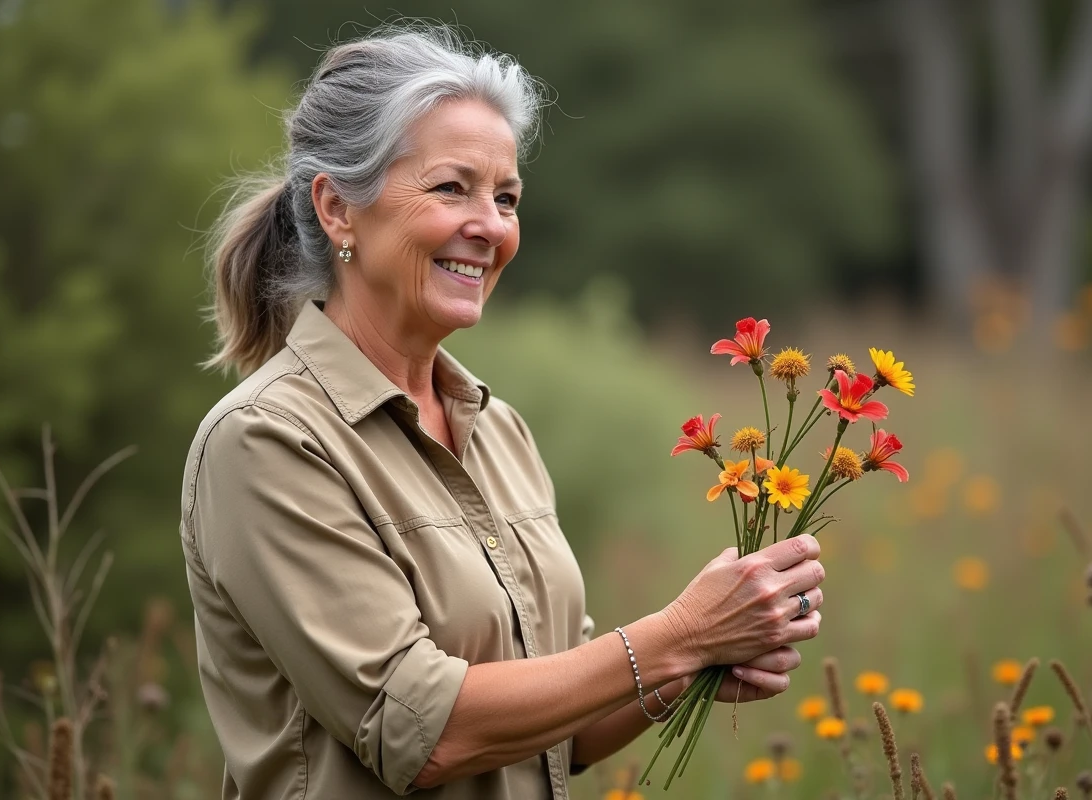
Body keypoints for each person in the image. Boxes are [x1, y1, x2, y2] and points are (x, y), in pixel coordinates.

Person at [179, 23, 825, 800]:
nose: (490, 226)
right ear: (339, 209)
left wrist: (695, 662)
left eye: (506, 197)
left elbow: (566, 729)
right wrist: (680, 633)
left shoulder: (499, 430)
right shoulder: (265, 441)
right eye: (452, 188)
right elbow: (423, 733)